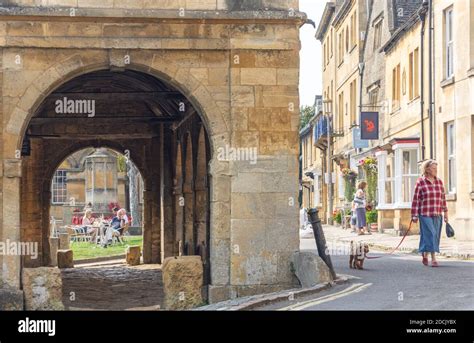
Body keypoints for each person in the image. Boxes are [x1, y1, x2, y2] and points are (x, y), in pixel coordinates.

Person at [411, 160, 448, 267]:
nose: (436, 170)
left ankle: (425, 254)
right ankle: (434, 258)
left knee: (434, 235)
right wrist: (414, 214)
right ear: (427, 169)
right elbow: (416, 200)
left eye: (436, 168)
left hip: (437, 213)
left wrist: (445, 213)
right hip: (425, 213)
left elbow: (443, 199)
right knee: (431, 233)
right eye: (434, 168)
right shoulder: (420, 182)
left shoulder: (439, 182)